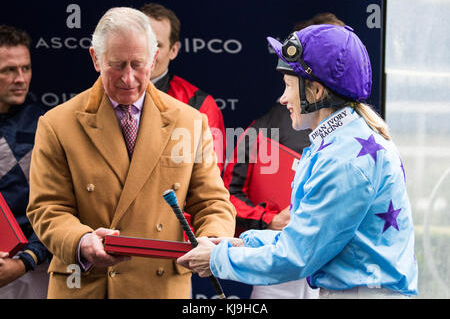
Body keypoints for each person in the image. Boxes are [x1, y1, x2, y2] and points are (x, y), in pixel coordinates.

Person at [178, 24, 419, 298]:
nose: (283, 98)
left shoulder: (343, 157)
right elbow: (300, 235)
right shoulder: (344, 141)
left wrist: (217, 259)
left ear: (315, 91)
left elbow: (296, 256)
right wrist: (240, 244)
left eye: (288, 85)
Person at [26, 7, 236, 299]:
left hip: (160, 287)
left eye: (138, 64)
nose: (128, 78)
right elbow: (48, 208)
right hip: (87, 285)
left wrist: (213, 241)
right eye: (117, 64)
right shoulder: (57, 124)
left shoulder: (189, 120)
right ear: (95, 59)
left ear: (154, 58)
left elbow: (212, 200)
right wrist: (82, 241)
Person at [222, 13, 344, 299]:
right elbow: (227, 195)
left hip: (337, 273)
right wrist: (270, 219)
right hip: (277, 274)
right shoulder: (261, 130)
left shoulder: (358, 134)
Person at [140, 3, 226, 173]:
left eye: (157, 45)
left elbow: (209, 180)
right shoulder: (105, 96)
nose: (147, 53)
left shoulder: (200, 105)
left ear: (173, 50)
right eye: (142, 42)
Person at [0, 25, 51, 298]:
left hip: (29, 272)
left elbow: (61, 207)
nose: (20, 78)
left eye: (25, 68)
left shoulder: (47, 127)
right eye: (8, 70)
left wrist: (26, 260)